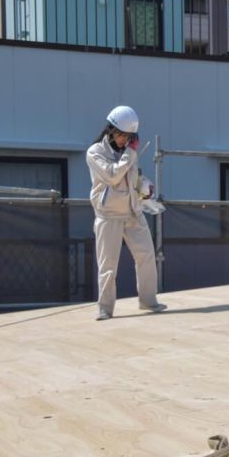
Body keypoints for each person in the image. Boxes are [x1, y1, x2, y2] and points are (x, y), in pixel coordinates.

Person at [86, 105, 166, 321]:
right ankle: (105, 308)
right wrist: (130, 153)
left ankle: (149, 301)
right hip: (109, 215)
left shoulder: (128, 152)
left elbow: (131, 176)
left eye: (129, 137)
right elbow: (112, 176)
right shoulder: (95, 152)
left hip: (133, 211)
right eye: (122, 135)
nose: (125, 140)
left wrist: (143, 186)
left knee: (147, 256)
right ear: (110, 130)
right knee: (108, 265)